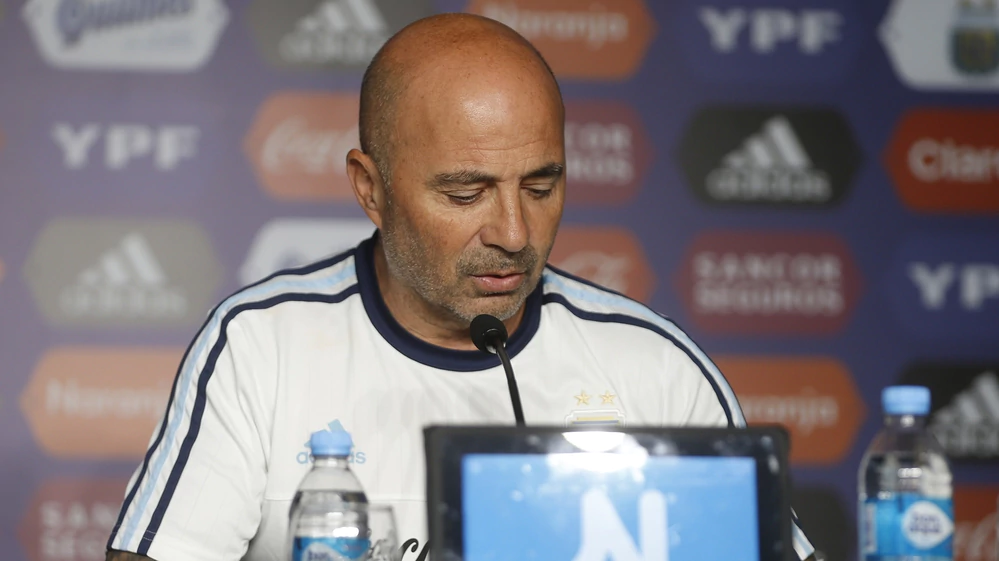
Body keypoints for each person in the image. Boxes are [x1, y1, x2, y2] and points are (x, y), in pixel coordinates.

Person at [105, 13, 815, 561]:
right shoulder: (262, 343)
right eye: (465, 193)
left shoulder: (654, 366)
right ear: (371, 188)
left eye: (540, 186)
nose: (513, 231)